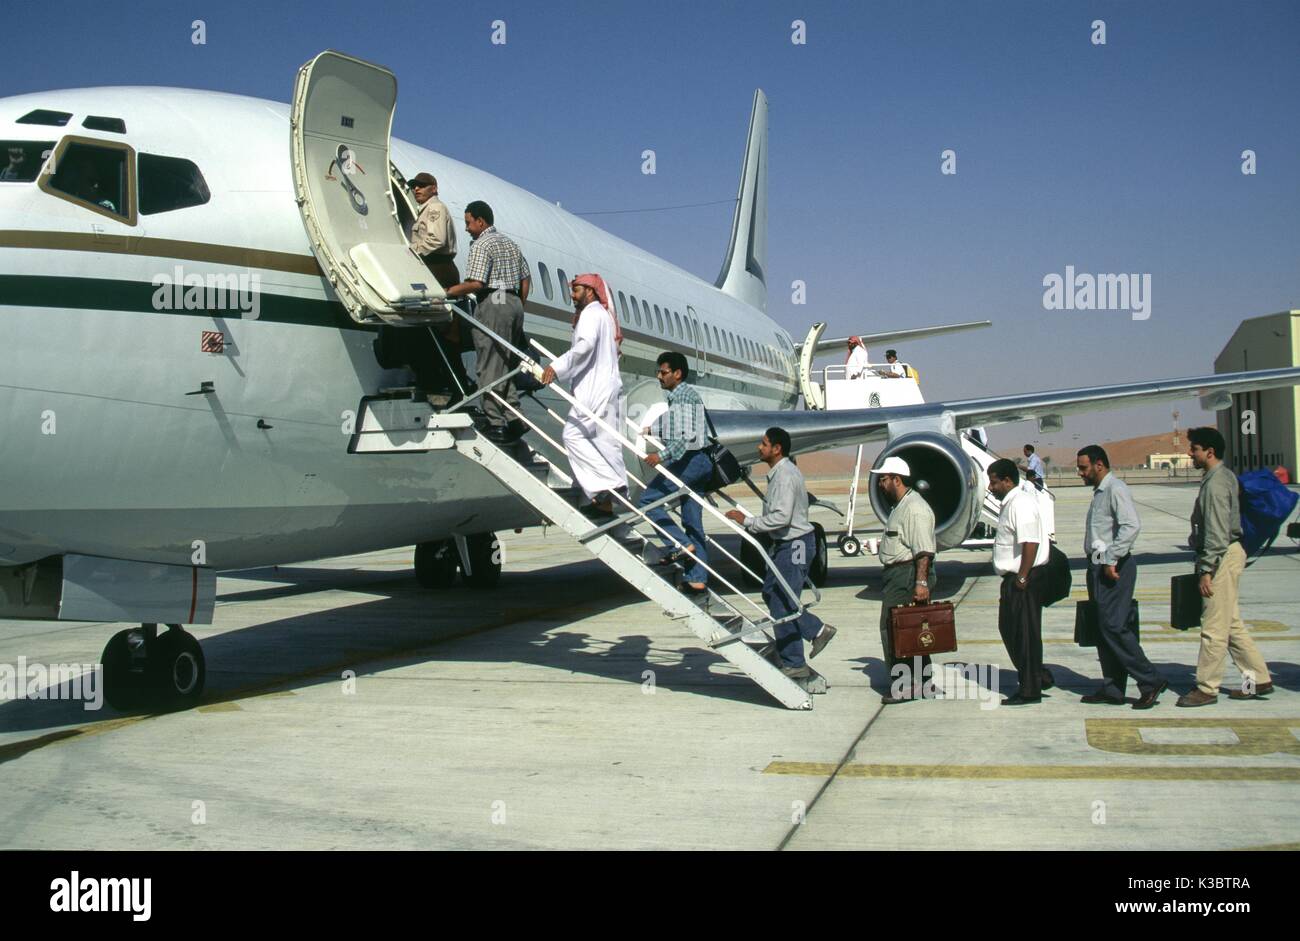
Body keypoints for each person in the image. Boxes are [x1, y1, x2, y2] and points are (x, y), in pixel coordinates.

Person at [725, 428, 835, 679]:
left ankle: (810, 641)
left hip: (795, 545)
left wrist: (748, 522)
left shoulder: (785, 476)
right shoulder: (780, 474)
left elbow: (782, 518)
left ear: (777, 449)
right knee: (773, 595)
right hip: (786, 545)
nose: (758, 448)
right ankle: (803, 647)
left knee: (784, 600)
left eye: (763, 444)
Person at [1176, 427, 1274, 706]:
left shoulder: (1217, 483)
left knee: (1214, 626)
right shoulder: (1220, 477)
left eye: (1194, 449)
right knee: (1230, 622)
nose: (1190, 453)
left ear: (1210, 452)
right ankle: (1258, 679)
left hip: (1221, 557)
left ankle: (1207, 688)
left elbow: (1217, 532)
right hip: (1228, 554)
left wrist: (1206, 569)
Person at [1076, 445, 1165, 708]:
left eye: (1083, 467)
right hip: (1098, 565)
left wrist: (1112, 558)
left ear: (1099, 465)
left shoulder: (1116, 489)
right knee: (1102, 629)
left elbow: (1131, 525)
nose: (1080, 473)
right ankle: (1113, 688)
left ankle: (1150, 681)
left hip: (1113, 567)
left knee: (1114, 626)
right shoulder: (1100, 492)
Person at [444, 201, 530, 443]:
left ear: (481, 222)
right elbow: (526, 279)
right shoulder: (511, 244)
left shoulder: (481, 244)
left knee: (488, 365)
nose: (467, 228)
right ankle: (515, 418)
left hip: (493, 302)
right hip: (513, 303)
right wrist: (517, 304)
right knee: (504, 365)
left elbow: (476, 284)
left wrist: (448, 291)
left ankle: (496, 423)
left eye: (469, 222)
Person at [541, 273, 627, 515]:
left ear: (590, 291)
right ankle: (605, 504)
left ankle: (608, 486)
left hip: (593, 388)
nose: (572, 295)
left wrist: (555, 367)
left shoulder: (591, 314)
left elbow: (585, 346)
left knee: (572, 436)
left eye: (576, 290)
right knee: (605, 443)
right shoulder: (603, 316)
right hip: (608, 387)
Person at [639, 351, 710, 592]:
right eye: (658, 372)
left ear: (677, 374)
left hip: (690, 461)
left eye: (664, 372)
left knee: (648, 501)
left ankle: (677, 544)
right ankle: (697, 580)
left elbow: (686, 436)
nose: (659, 376)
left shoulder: (682, 398)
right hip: (699, 462)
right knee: (692, 522)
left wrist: (661, 456)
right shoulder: (683, 396)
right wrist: (652, 429)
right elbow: (677, 425)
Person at [870, 455, 936, 703]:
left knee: (893, 630)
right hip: (900, 574)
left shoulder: (915, 509)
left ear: (897, 480)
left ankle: (903, 685)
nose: (880, 484)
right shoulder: (901, 506)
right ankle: (924, 683)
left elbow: (924, 551)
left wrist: (920, 583)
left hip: (906, 576)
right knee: (914, 631)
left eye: (883, 479)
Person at [987, 459, 1053, 705]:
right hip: (1015, 578)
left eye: (994, 482)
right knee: (1010, 629)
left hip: (1023, 579)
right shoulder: (1011, 503)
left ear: (1007, 480)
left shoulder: (1021, 503)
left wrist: (1023, 575)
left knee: (1024, 634)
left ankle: (1029, 690)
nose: (990, 487)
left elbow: (1031, 542)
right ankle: (1038, 675)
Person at [407, 172, 460, 289]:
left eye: (422, 185)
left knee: (436, 305)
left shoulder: (435, 207)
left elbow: (437, 239)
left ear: (434, 188)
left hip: (438, 268)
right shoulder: (426, 209)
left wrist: (412, 251)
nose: (416, 189)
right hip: (433, 266)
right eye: (414, 186)